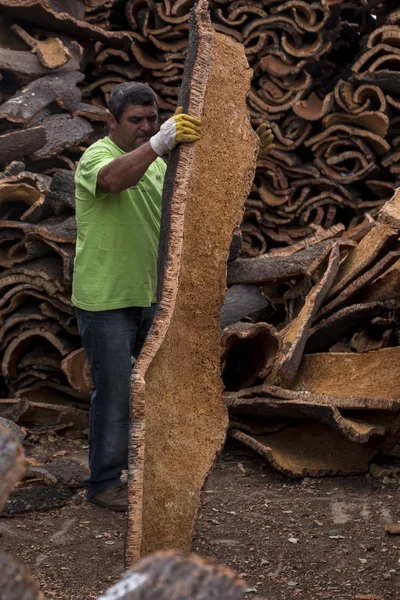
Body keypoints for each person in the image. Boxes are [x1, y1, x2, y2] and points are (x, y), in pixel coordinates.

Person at [72, 81, 274, 512]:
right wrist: (161, 143)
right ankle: (104, 483)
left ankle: (149, 477)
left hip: (152, 295)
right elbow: (111, 181)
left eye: (151, 119)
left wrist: (249, 159)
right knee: (113, 393)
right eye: (135, 121)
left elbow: (200, 196)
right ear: (112, 122)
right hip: (106, 297)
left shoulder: (159, 166)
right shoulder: (99, 157)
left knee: (158, 389)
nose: (145, 128)